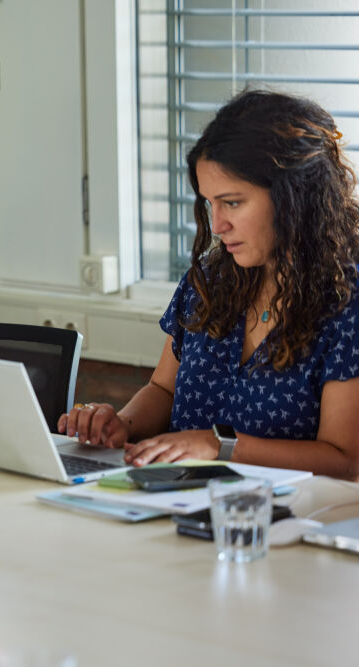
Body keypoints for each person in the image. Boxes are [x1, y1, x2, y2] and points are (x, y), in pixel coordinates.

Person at [58, 90, 359, 479]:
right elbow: (163, 390)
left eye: (232, 203)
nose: (217, 226)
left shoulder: (345, 303)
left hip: (282, 520)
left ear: (295, 197)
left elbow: (346, 460)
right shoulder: (211, 279)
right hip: (178, 502)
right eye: (209, 204)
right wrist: (123, 424)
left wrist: (222, 447)